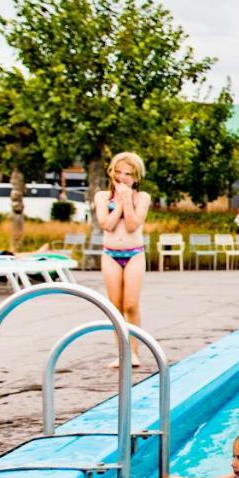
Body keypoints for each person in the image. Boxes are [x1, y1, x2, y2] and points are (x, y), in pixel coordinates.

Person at [94, 152, 151, 369]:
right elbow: (106, 224)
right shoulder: (102, 197)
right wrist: (119, 202)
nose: (122, 177)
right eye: (118, 172)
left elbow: (131, 225)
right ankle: (122, 353)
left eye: (128, 174)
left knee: (131, 304)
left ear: (136, 177)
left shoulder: (142, 197)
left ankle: (134, 353)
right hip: (111, 254)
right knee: (115, 306)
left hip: (134, 253)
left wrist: (127, 199)